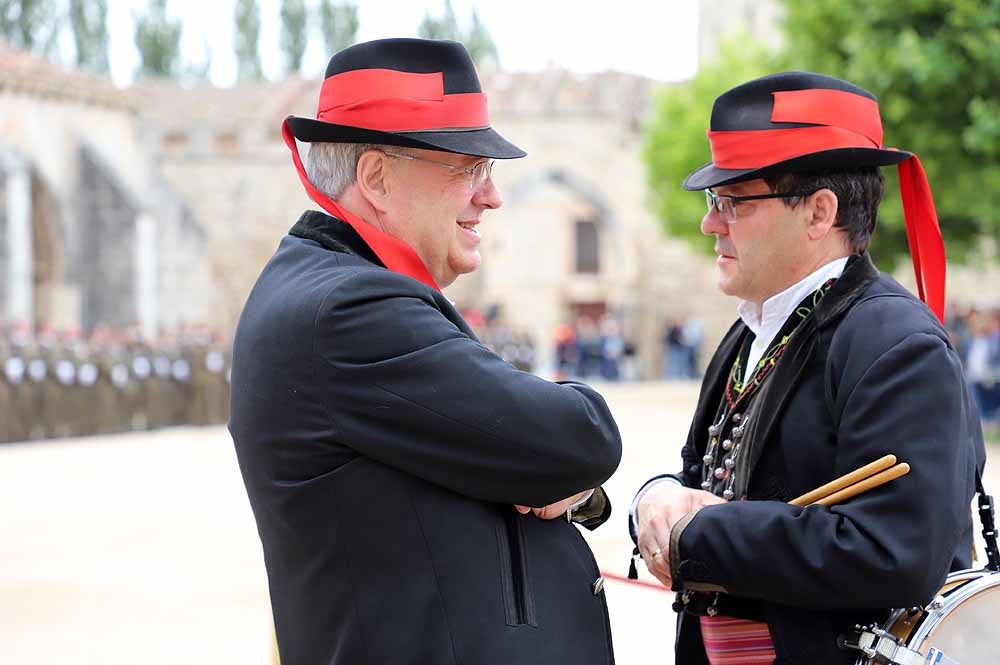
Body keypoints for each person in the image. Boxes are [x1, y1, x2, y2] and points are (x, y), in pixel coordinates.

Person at [229, 39, 622, 665]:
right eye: (467, 168)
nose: (490, 196)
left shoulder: (338, 287)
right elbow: (580, 437)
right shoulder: (349, 309)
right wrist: (556, 451)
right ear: (377, 178)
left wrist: (547, 473)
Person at [629, 72, 985, 665]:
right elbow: (706, 481)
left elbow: (896, 552)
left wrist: (702, 536)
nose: (709, 224)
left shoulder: (897, 343)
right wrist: (659, 496)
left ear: (820, 212)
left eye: (732, 202)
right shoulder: (749, 331)